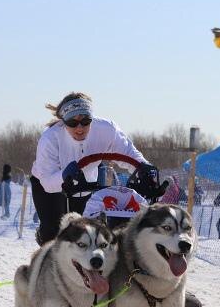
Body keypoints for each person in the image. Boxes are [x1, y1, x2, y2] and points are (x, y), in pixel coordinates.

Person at [30, 92, 160, 245]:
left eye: (85, 121)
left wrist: (145, 171)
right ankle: (44, 236)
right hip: (49, 184)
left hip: (85, 184)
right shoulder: (50, 138)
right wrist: (64, 175)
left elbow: (129, 154)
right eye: (72, 122)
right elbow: (47, 181)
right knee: (53, 234)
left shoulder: (106, 130)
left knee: (83, 234)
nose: (79, 128)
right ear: (64, 122)